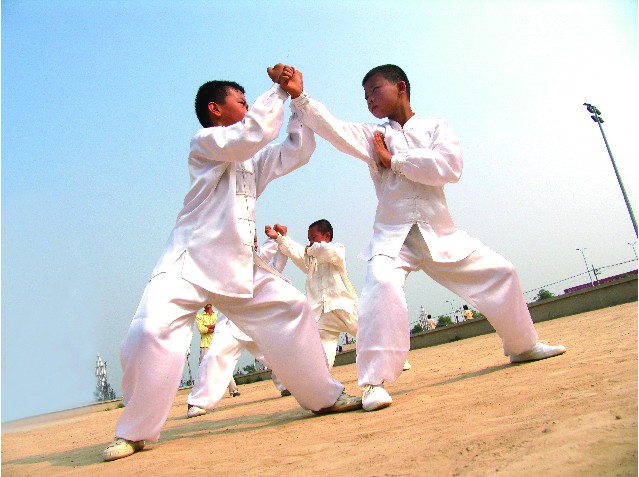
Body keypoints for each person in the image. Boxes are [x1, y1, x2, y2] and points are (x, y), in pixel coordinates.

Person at [102, 64, 361, 462]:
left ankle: (323, 396)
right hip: (188, 261)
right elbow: (252, 134)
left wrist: (297, 100)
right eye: (241, 101)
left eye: (249, 101)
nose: (247, 106)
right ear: (215, 108)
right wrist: (278, 90)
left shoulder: (250, 161)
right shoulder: (204, 143)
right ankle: (134, 432)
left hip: (239, 264)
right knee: (148, 331)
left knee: (292, 308)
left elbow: (297, 150)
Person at [278, 64, 566, 412]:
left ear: (400, 87)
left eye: (375, 90)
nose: (369, 100)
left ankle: (522, 346)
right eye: (365, 96)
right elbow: (333, 128)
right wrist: (300, 96)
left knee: (501, 272)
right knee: (381, 287)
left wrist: (395, 160)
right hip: (392, 238)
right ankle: (373, 383)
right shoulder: (373, 135)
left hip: (439, 233)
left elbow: (449, 167)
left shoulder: (435, 127)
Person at [187, 234, 292, 418]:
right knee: (215, 356)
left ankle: (286, 385)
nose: (253, 244)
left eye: (255, 240)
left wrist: (279, 237)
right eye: (251, 240)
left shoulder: (261, 264)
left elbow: (276, 261)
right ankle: (197, 402)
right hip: (230, 321)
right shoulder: (226, 262)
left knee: (274, 355)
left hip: (255, 322)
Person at [270, 220, 358, 369]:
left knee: (369, 335)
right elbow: (296, 252)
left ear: (327, 236)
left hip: (344, 306)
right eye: (309, 239)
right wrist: (280, 237)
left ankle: (389, 365)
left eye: (314, 237)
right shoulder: (311, 261)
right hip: (322, 314)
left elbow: (324, 250)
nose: (310, 242)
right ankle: (323, 381)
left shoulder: (337, 249)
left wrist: (308, 250)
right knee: (322, 357)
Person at [196, 304, 241, 397]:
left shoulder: (217, 314)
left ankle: (234, 390)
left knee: (224, 366)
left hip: (218, 343)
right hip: (205, 345)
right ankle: (203, 394)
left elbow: (221, 326)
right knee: (204, 369)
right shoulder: (199, 316)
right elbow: (202, 329)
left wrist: (209, 327)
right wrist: (214, 326)